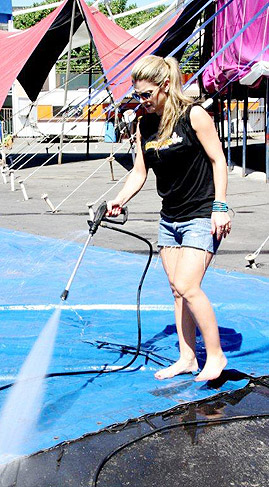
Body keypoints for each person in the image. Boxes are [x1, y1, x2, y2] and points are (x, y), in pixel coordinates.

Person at [107, 55, 231, 382]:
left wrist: (220, 207)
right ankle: (188, 357)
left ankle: (215, 354)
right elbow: (139, 172)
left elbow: (219, 161)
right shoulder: (144, 124)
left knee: (188, 285)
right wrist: (119, 199)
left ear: (165, 86)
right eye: (137, 95)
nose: (141, 101)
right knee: (177, 292)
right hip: (169, 219)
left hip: (201, 215)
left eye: (146, 95)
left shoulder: (195, 115)